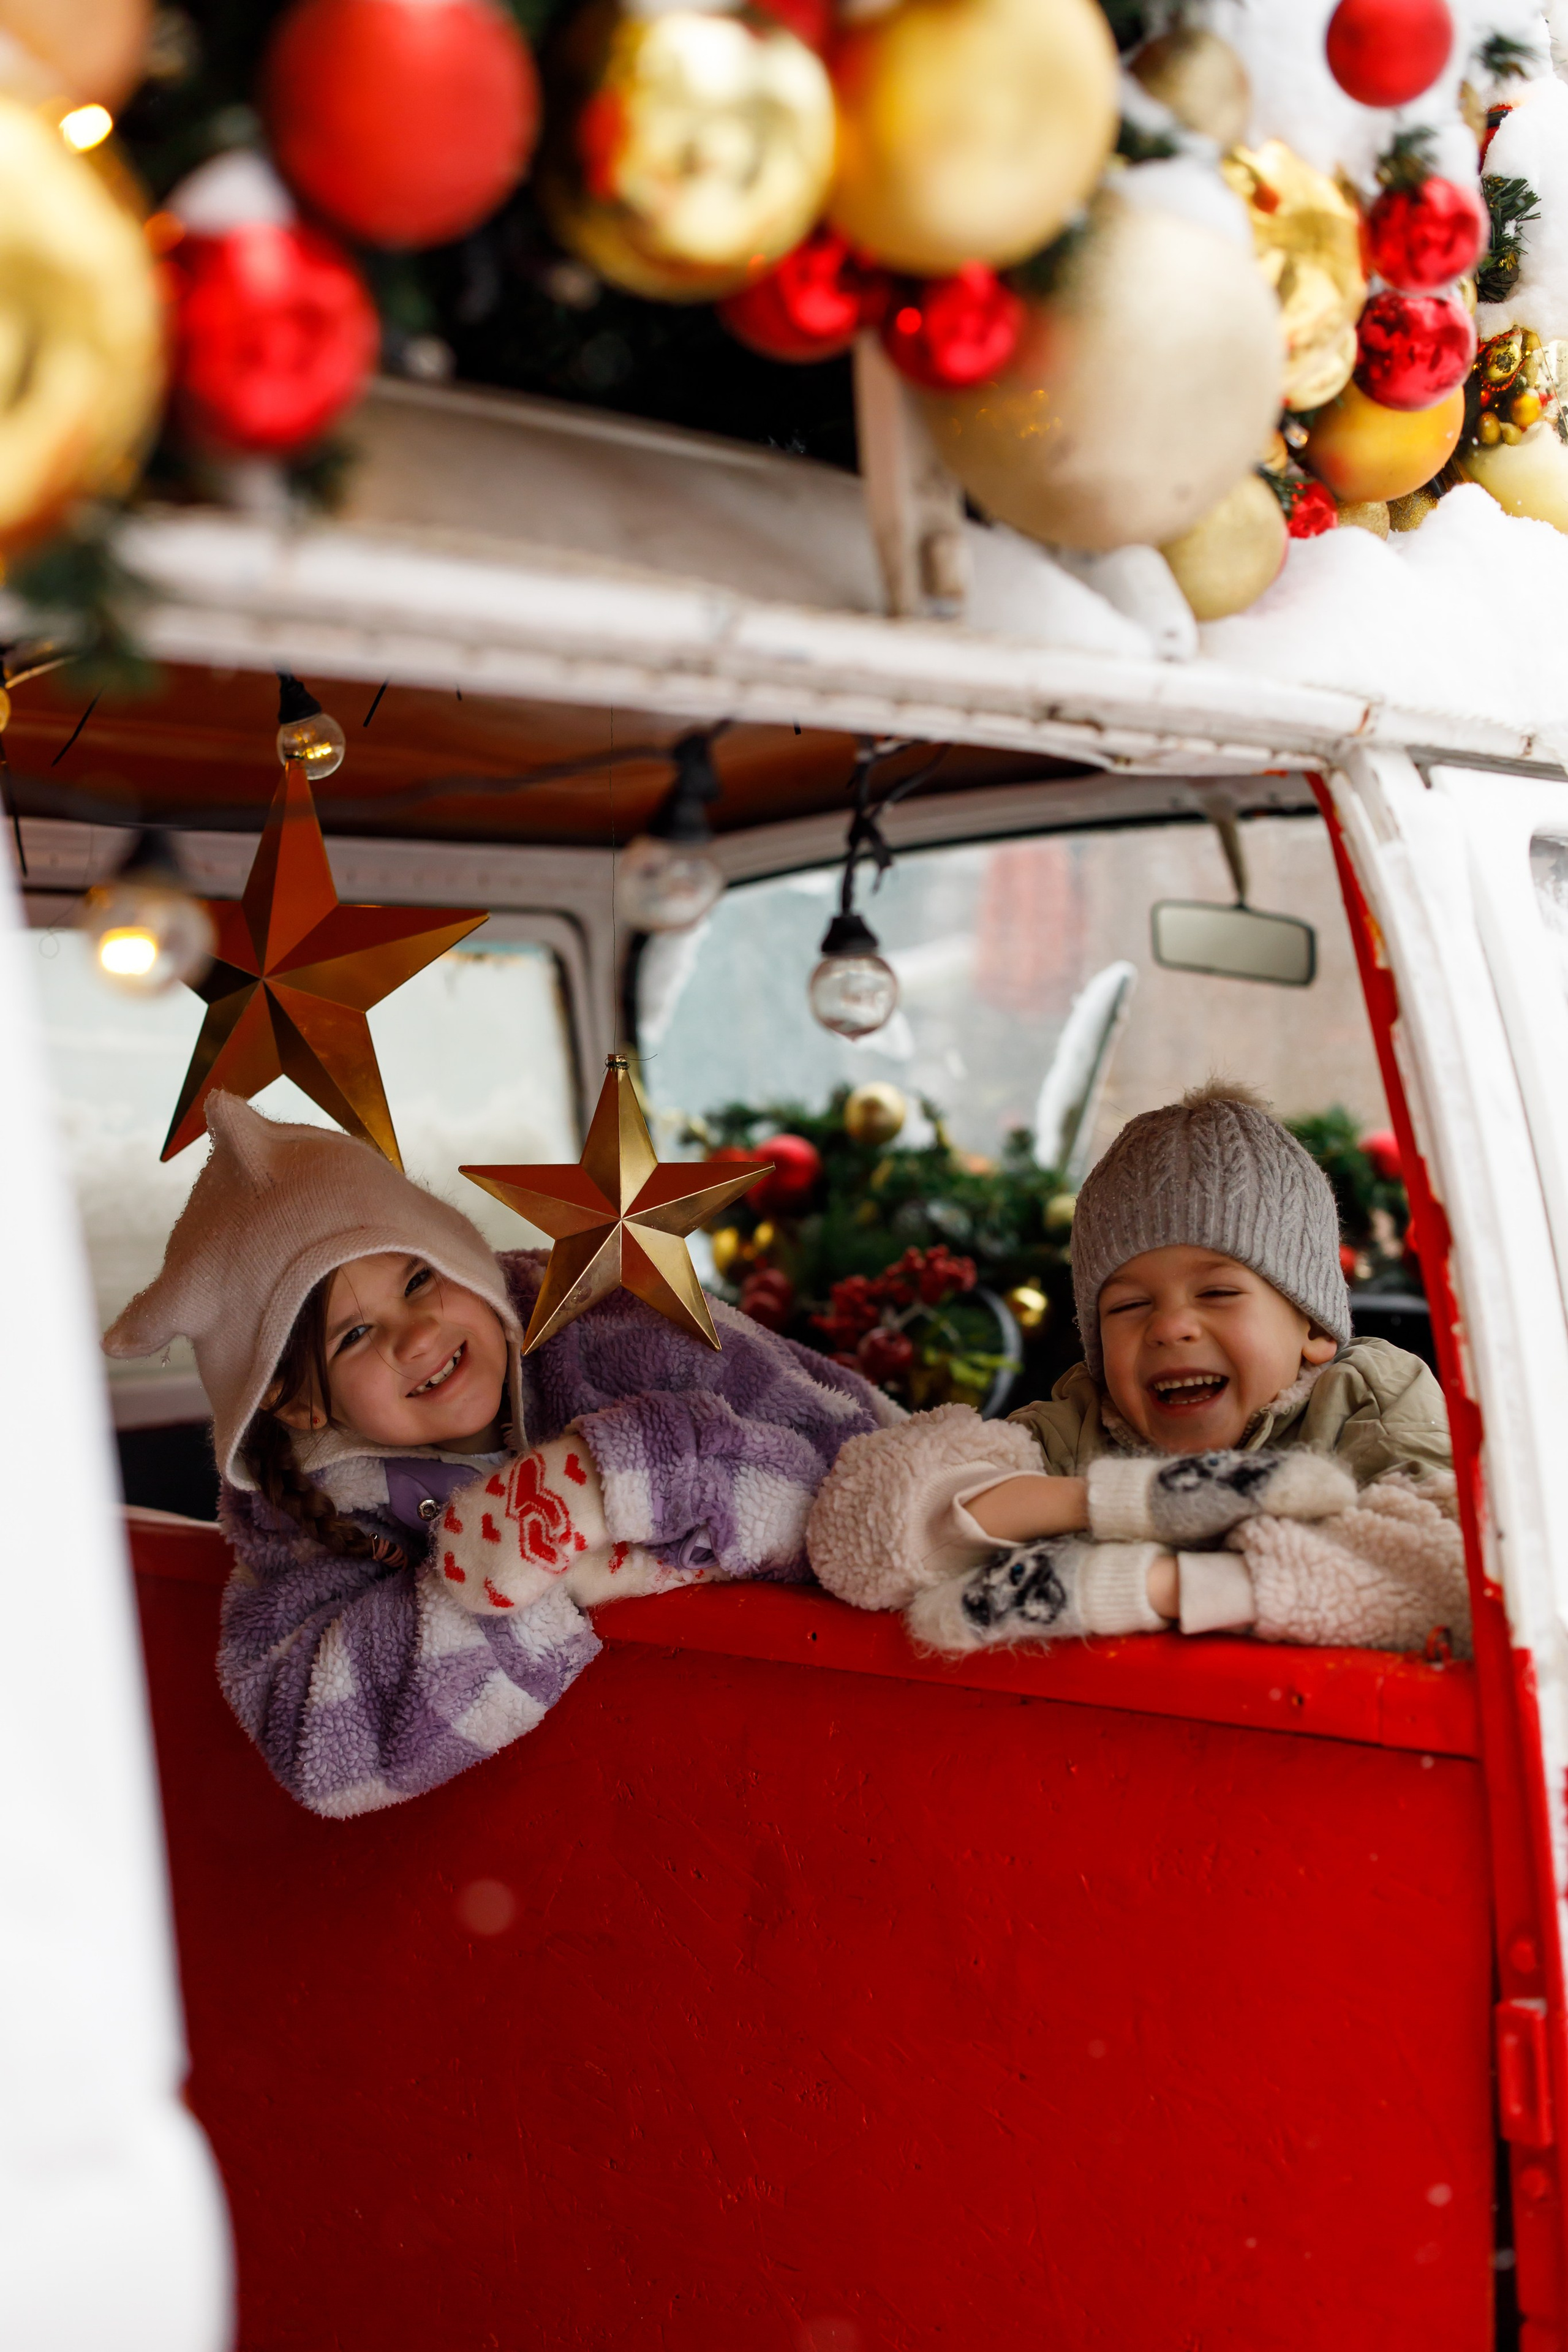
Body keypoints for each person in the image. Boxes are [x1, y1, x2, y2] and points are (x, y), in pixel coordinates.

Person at [105, 1093, 893, 1817]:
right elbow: (325, 1751)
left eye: (418, 1279)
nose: (416, 1335)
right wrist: (534, 1579)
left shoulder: (614, 1323)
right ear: (303, 1406)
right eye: (355, 1335)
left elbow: (858, 1491)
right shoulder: (308, 1517)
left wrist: (605, 1488)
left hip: (851, 1738)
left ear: (460, 1256)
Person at [807, 1086, 1469, 1659]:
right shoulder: (1083, 1421)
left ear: (1316, 1327)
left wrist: (1139, 1585)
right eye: (1128, 1305)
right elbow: (864, 1531)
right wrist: (1121, 1501)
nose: (1169, 1326)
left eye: (1217, 1294)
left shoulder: (1368, 1396)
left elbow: (1447, 1573)